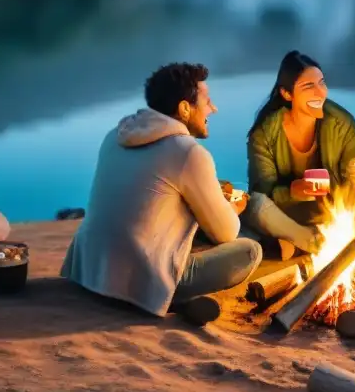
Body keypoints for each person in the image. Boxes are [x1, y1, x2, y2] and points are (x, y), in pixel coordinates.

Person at [61, 62, 262, 325]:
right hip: (141, 280)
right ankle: (174, 299)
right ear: (184, 108)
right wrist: (233, 208)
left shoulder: (115, 135)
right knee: (249, 250)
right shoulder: (188, 152)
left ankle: (179, 300)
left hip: (90, 270)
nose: (213, 109)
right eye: (208, 102)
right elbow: (226, 232)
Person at [245, 50, 355, 259]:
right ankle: (319, 243)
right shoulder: (265, 134)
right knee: (254, 205)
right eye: (308, 86)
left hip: (332, 207)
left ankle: (295, 243)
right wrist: (294, 191)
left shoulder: (341, 123)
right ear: (287, 94)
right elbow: (261, 191)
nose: (320, 93)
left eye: (322, 83)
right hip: (289, 211)